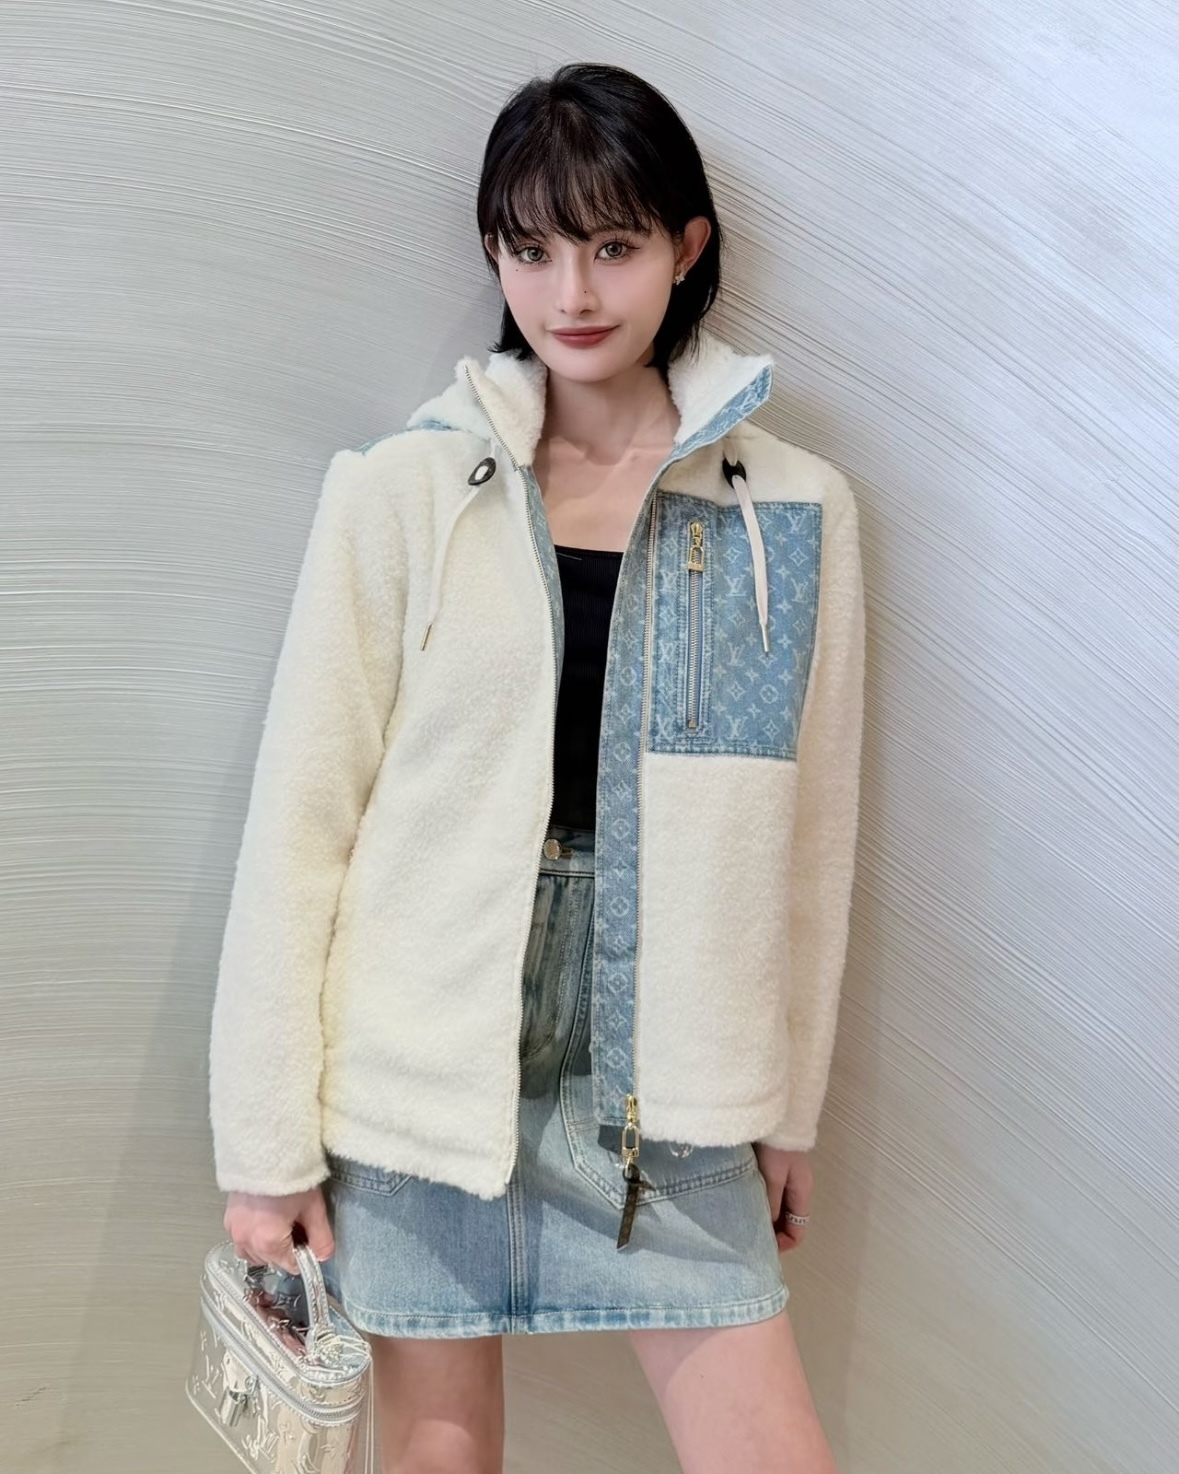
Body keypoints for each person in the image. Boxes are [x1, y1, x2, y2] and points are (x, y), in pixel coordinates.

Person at [211, 61, 864, 1474]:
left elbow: (809, 837)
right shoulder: (402, 491)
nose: (570, 292)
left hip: (672, 1061)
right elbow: (304, 826)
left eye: (613, 245)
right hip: (426, 1055)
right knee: (439, 1453)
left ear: (687, 248)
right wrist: (264, 1147)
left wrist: (788, 1102)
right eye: (531, 248)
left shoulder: (790, 510)